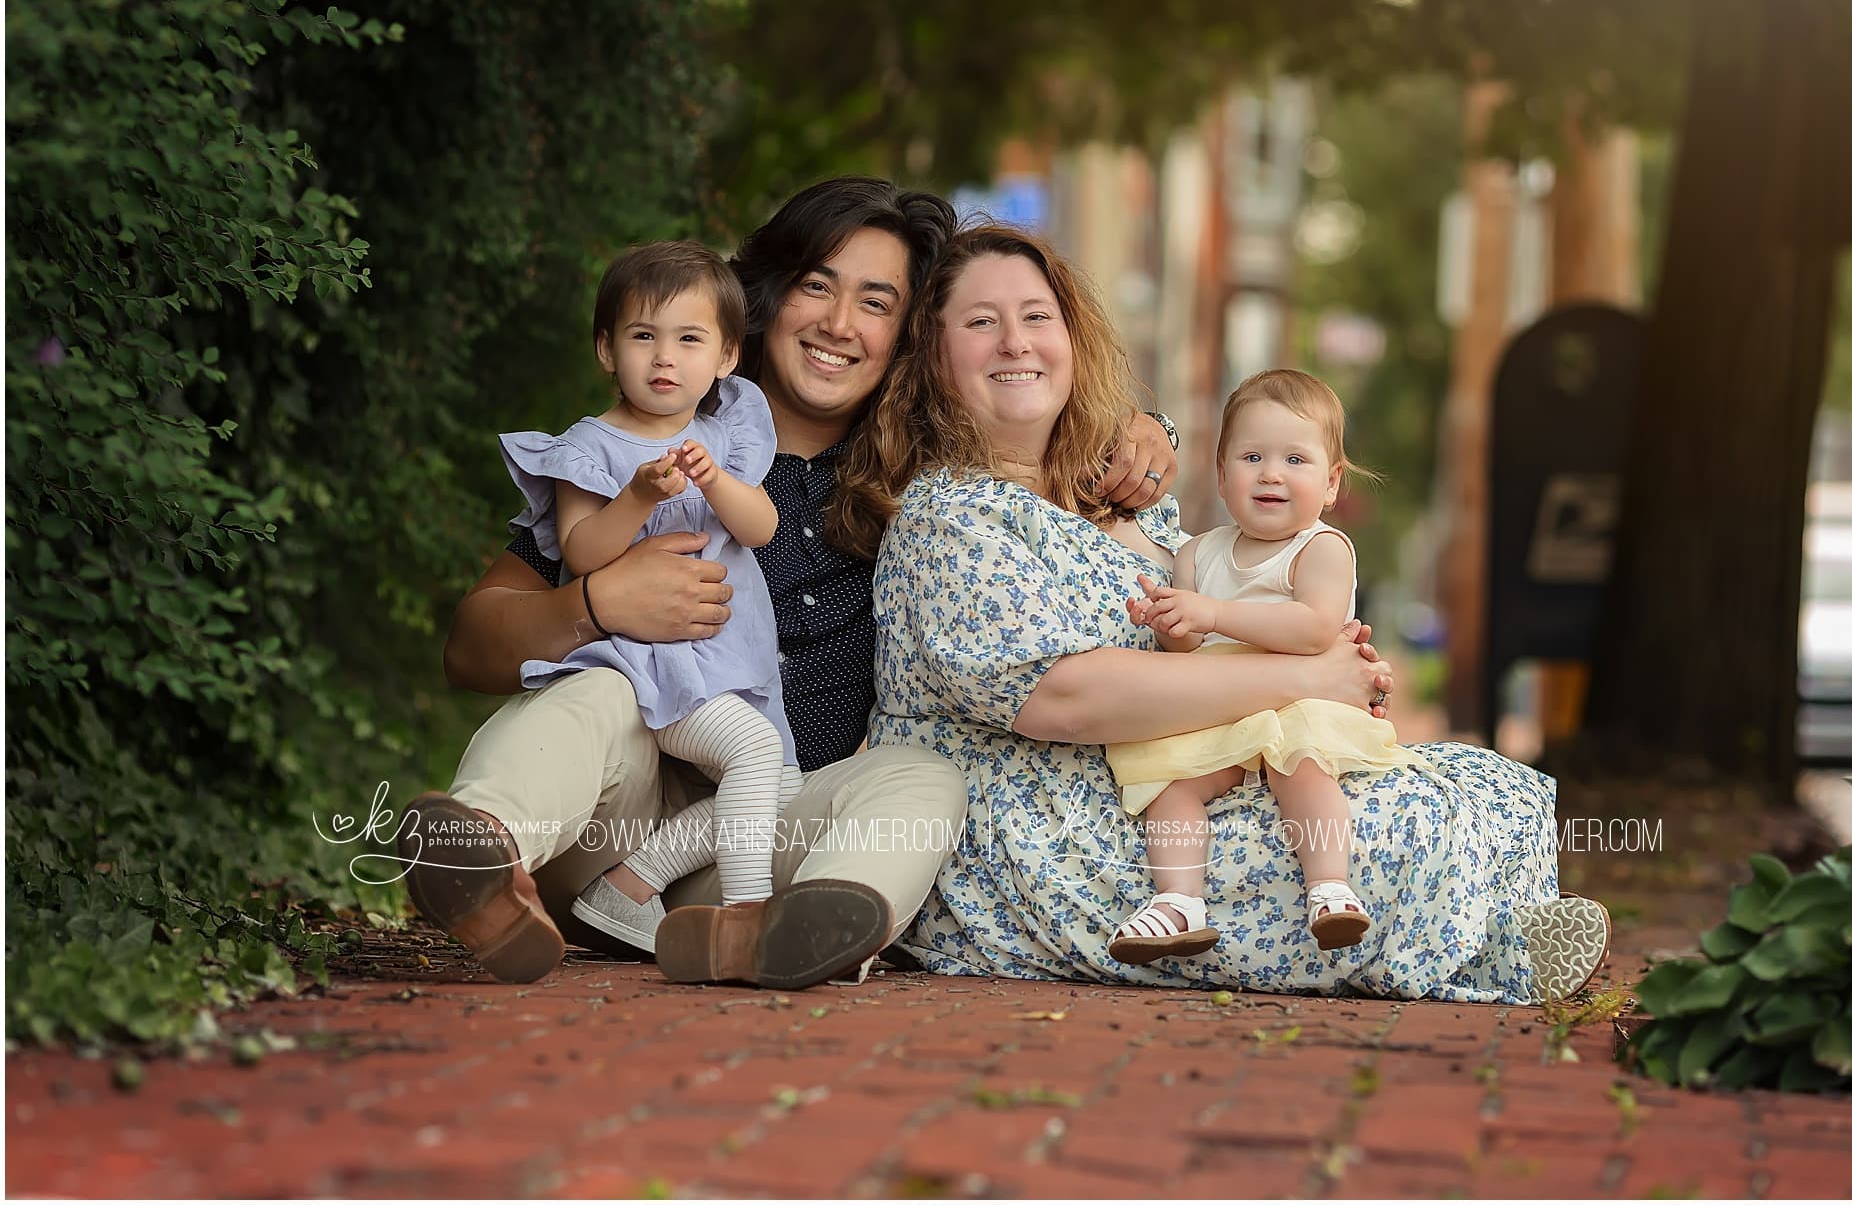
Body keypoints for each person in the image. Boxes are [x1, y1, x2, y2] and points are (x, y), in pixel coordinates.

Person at [400, 178, 1194, 990]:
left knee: (924, 779)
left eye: (877, 303)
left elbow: (1042, 428)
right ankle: (480, 852)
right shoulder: (654, 451)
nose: (840, 324)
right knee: (598, 693)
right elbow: (472, 645)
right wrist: (595, 605)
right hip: (612, 822)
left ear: (907, 338)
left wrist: (1140, 429)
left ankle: (804, 930)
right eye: (817, 285)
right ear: (763, 304)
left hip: (757, 852)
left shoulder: (927, 484)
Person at [835, 223, 1608, 1002]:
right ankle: (1492, 956)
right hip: (1050, 830)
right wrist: (1303, 676)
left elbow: (1233, 615)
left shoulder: (1110, 498)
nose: (1016, 342)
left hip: (1177, 774)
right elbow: (1065, 696)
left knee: (1478, 780)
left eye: (1037, 316)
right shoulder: (953, 517)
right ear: (933, 357)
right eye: (980, 322)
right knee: (1394, 826)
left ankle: (1505, 937)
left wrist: (1327, 670)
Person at [493, 241, 801, 950]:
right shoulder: (590, 448)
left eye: (689, 339)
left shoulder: (724, 436)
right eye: (643, 336)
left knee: (779, 785)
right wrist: (635, 496)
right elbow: (581, 552)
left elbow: (762, 527)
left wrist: (716, 481)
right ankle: (745, 920)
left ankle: (629, 887)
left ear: (725, 357)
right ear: (608, 350)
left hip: (730, 660)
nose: (665, 358)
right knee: (756, 754)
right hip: (655, 665)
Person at [1107, 368, 1429, 964]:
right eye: (1252, 457)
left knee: (1302, 769)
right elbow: (1186, 652)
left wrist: (1212, 613)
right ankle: (1179, 902)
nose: (1272, 473)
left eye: (1296, 460)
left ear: (1332, 483)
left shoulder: (1320, 548)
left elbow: (1312, 629)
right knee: (1169, 789)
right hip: (1221, 710)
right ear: (1223, 477)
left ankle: (1330, 886)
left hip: (1297, 706)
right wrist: (1171, 624)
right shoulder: (1196, 555)